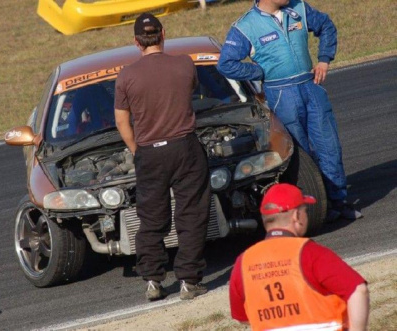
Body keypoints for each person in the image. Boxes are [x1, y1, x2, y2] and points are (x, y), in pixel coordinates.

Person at [217, 0, 362, 221]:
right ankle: (313, 208)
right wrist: (258, 71)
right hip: (280, 94)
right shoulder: (245, 27)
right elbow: (226, 63)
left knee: (329, 147)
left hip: (310, 87)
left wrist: (324, 60)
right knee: (300, 155)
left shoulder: (300, 8)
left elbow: (326, 26)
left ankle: (338, 202)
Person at [114, 13, 211, 301]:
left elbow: (122, 122)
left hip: (149, 152)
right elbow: (190, 91)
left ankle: (153, 281)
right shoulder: (184, 64)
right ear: (163, 34)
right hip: (185, 147)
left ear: (136, 42)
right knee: (191, 214)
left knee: (152, 218)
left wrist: (137, 150)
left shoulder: (126, 75)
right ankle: (189, 281)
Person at [229, 183, 370, 330]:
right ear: (297, 216)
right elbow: (358, 290)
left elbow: (243, 318)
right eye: (305, 210)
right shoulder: (309, 253)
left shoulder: (243, 262)